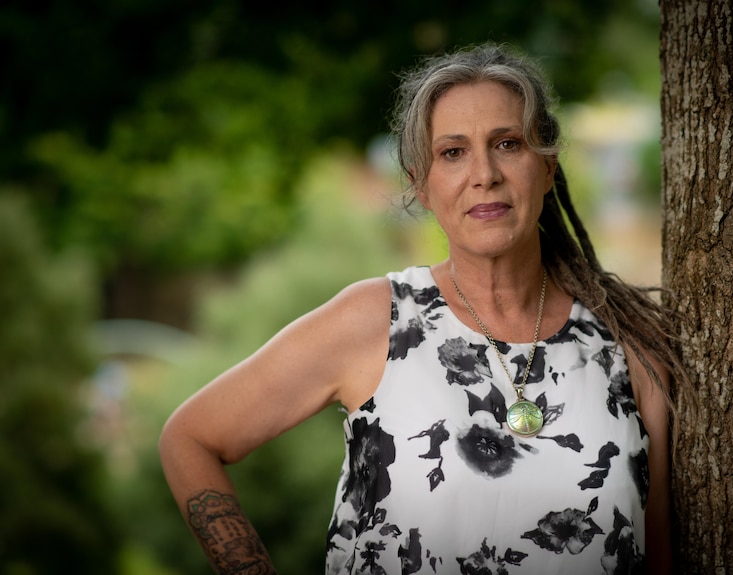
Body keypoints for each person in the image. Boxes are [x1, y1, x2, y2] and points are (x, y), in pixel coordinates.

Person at [160, 43, 692, 575]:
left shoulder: (630, 348)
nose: (485, 174)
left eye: (507, 143)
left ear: (547, 166)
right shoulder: (378, 321)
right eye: (453, 152)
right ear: (421, 182)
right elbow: (191, 438)